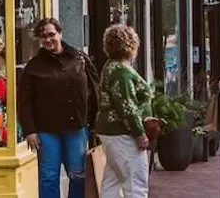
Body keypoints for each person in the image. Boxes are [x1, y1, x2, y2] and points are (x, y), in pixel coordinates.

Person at [18, 18, 99, 198]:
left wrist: (95, 122)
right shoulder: (34, 66)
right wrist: (30, 131)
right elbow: (24, 101)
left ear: (60, 34)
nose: (48, 40)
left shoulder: (79, 58)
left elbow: (94, 90)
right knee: (48, 177)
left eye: (51, 35)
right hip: (47, 131)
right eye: (43, 37)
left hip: (76, 127)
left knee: (78, 175)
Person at [95, 24, 152, 198]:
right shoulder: (122, 72)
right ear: (131, 45)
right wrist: (139, 133)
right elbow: (127, 106)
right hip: (122, 133)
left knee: (112, 180)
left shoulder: (110, 66)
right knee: (135, 181)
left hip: (109, 131)